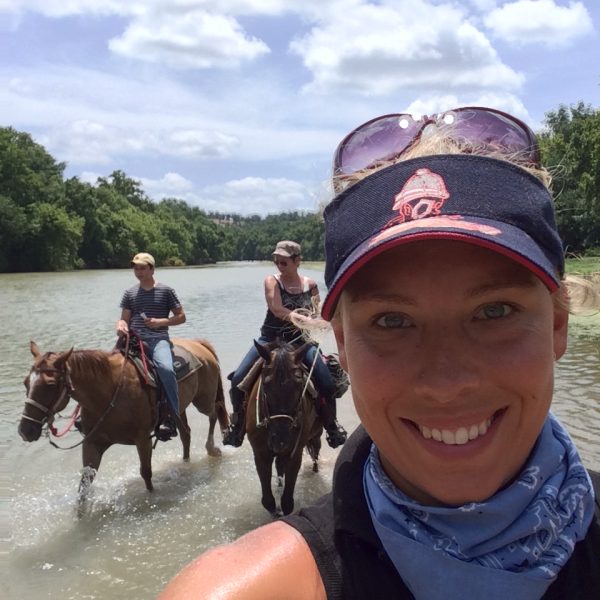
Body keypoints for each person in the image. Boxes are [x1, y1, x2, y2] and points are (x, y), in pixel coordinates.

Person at [159, 107, 600, 599]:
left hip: (301, 338)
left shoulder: (305, 283)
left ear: (558, 322)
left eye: (495, 311)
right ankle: (239, 421)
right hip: (274, 336)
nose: (447, 383)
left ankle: (327, 421)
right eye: (391, 321)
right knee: (242, 378)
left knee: (318, 380)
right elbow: (277, 312)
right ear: (344, 340)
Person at [223, 240, 347, 449]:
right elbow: (277, 309)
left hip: (301, 342)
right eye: (277, 262)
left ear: (297, 261)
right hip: (270, 340)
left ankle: (331, 427)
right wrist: (307, 321)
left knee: (326, 382)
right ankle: (237, 427)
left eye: (284, 262)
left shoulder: (311, 285)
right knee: (237, 380)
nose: (279, 266)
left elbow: (317, 312)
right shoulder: (272, 281)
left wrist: (323, 322)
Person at [117, 252, 186, 440]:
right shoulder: (129, 293)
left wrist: (160, 322)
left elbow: (181, 317)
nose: (138, 271)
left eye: (142, 268)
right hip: (132, 340)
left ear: (152, 269)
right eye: (135, 268)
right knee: (101, 367)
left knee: (165, 368)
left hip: (157, 339)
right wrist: (121, 326)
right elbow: (124, 319)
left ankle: (171, 416)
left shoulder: (166, 291)